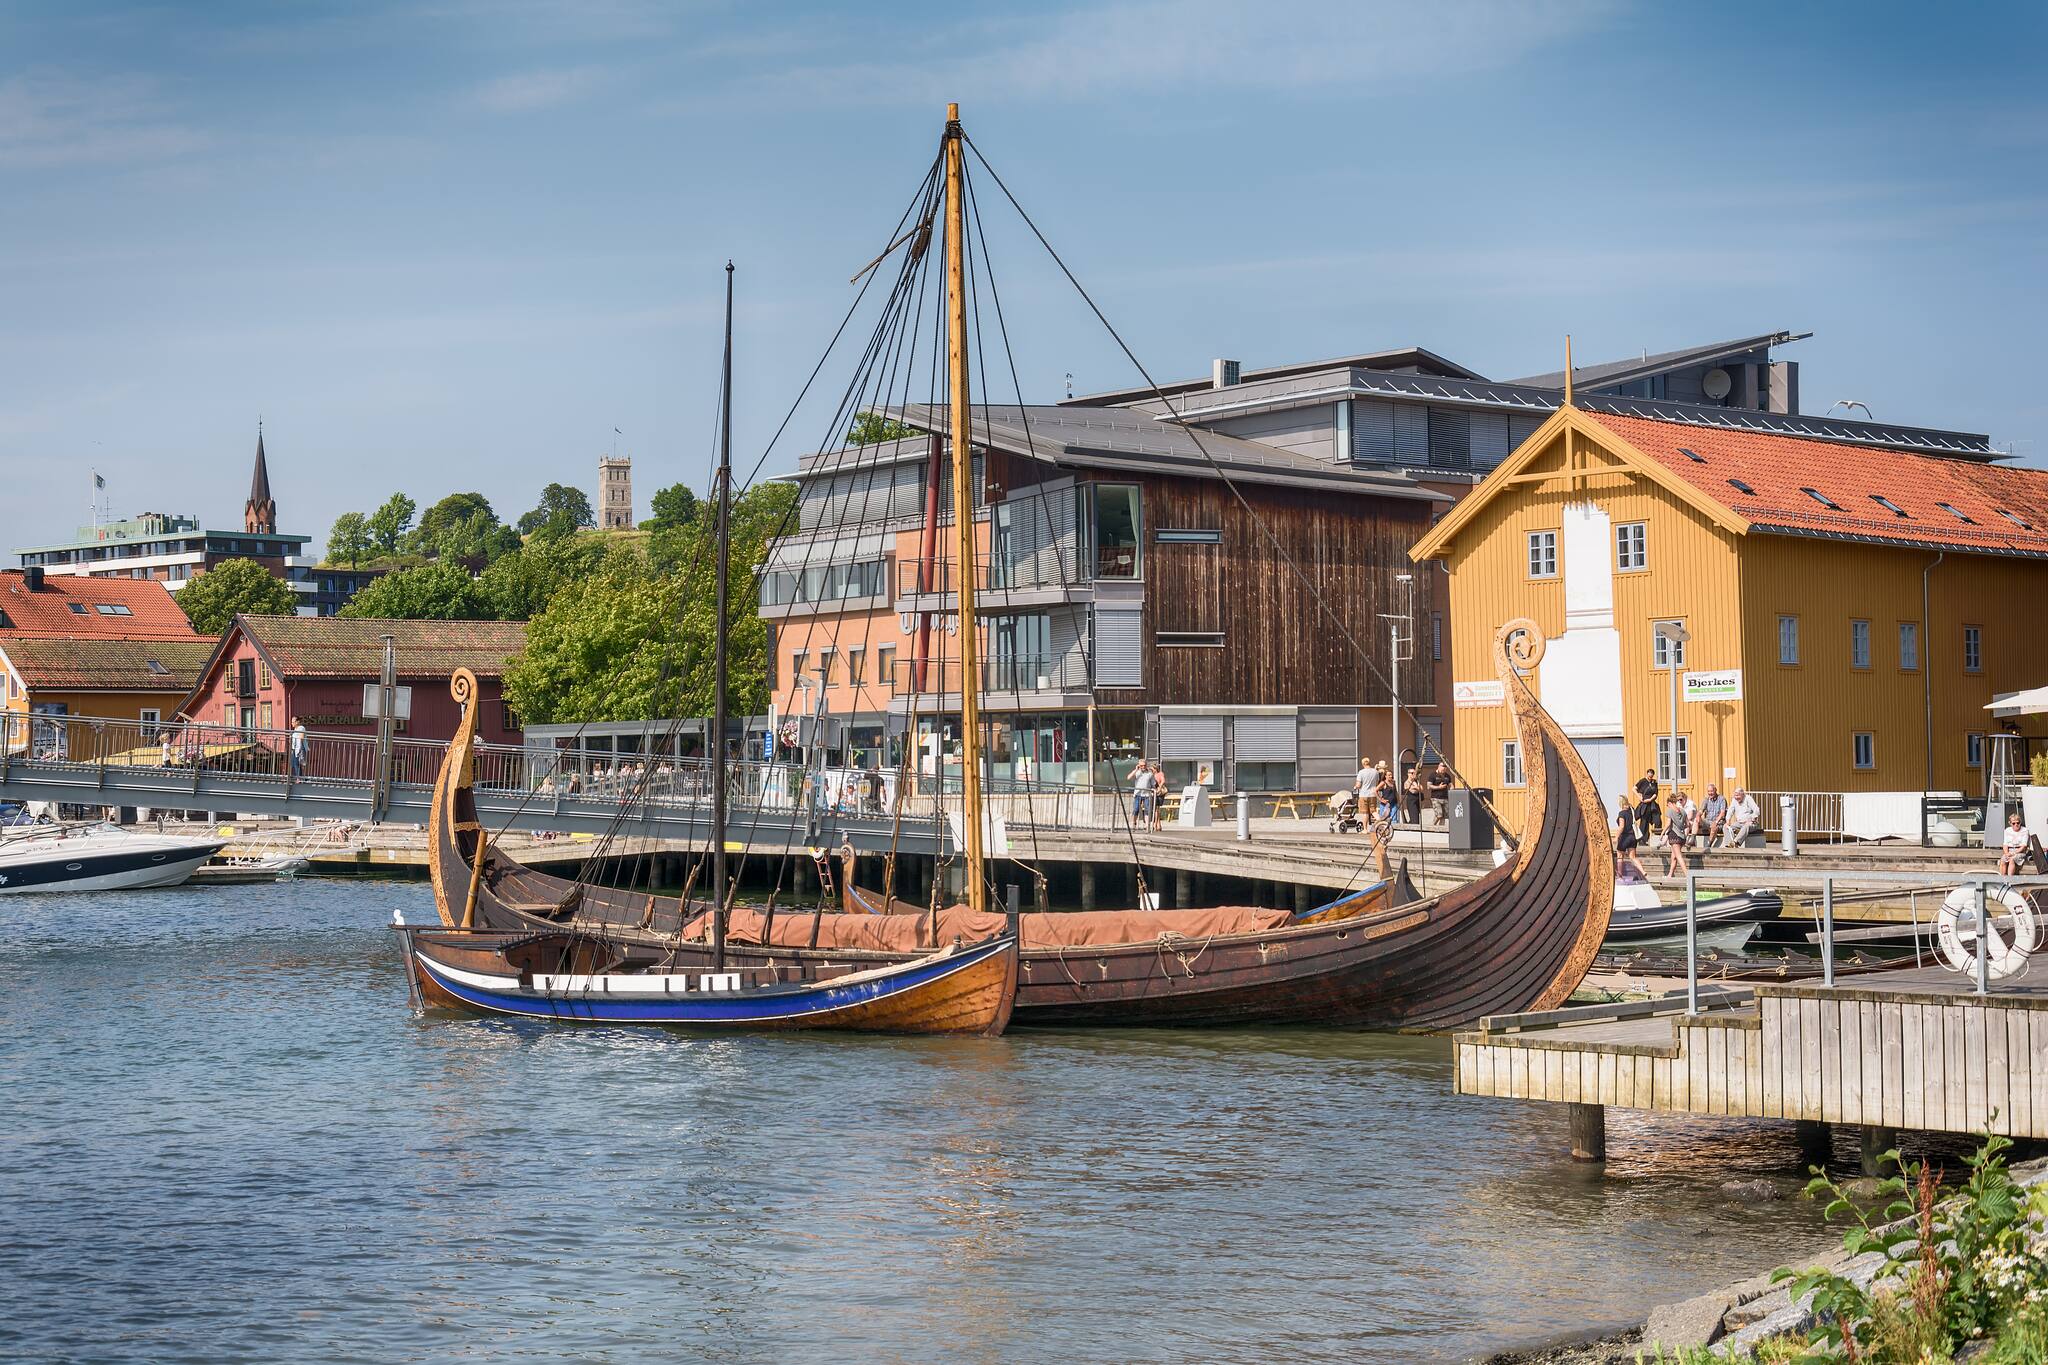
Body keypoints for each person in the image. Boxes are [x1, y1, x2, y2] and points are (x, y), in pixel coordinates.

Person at [1614, 794, 1646, 882]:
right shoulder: (1631, 811)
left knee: (1620, 857)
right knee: (1633, 857)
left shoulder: (1622, 813)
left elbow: (1621, 827)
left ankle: (1620, 876)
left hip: (1625, 837)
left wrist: (1616, 837)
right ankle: (1643, 871)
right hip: (1633, 837)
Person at [1663, 790, 1693, 878]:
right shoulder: (1683, 811)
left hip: (1674, 836)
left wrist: (1662, 833)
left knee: (1678, 856)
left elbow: (1668, 824)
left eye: (1667, 804)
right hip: (1682, 836)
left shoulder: (1670, 811)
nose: (1667, 806)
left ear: (1670, 803)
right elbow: (1688, 824)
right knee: (1674, 857)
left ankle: (1687, 875)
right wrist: (1683, 831)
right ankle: (1670, 874)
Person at [1634, 767, 1663, 835]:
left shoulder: (1654, 782)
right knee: (1644, 821)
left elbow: (1656, 793)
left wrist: (1650, 799)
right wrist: (1639, 797)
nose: (1650, 777)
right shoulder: (1642, 781)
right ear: (1647, 774)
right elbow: (1634, 789)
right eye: (1649, 776)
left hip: (1652, 803)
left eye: (1651, 776)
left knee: (1657, 819)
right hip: (1644, 804)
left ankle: (1657, 836)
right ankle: (1643, 839)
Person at [2000, 811, 2030, 876]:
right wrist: (2006, 853)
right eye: (2013, 823)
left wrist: (2014, 853)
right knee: (2003, 859)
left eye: (2018, 823)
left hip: (2020, 851)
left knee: (2012, 859)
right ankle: (2002, 879)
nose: (2016, 825)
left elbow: (2024, 846)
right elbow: (2005, 844)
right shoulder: (2007, 830)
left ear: (2020, 823)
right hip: (2009, 850)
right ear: (2010, 823)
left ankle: (2010, 880)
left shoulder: (2025, 830)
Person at [1698, 784, 1727, 848]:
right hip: (1708, 821)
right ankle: (1691, 840)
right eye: (1708, 791)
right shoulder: (1706, 799)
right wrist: (1698, 816)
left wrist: (1716, 821)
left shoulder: (1721, 799)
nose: (1710, 793)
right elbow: (1701, 810)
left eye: (1711, 791)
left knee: (1714, 826)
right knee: (1696, 820)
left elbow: (1722, 813)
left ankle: (1709, 844)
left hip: (1719, 823)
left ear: (1715, 790)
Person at [1131, 760, 1155, 829]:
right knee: (1136, 809)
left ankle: (1147, 825)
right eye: (1141, 765)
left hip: (1147, 794)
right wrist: (1135, 769)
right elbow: (1129, 777)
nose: (1143, 767)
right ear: (1139, 765)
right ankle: (1134, 823)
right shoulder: (1137, 772)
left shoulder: (1149, 773)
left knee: (1147, 809)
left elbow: (1153, 783)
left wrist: (1154, 789)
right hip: (1138, 794)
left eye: (1144, 765)